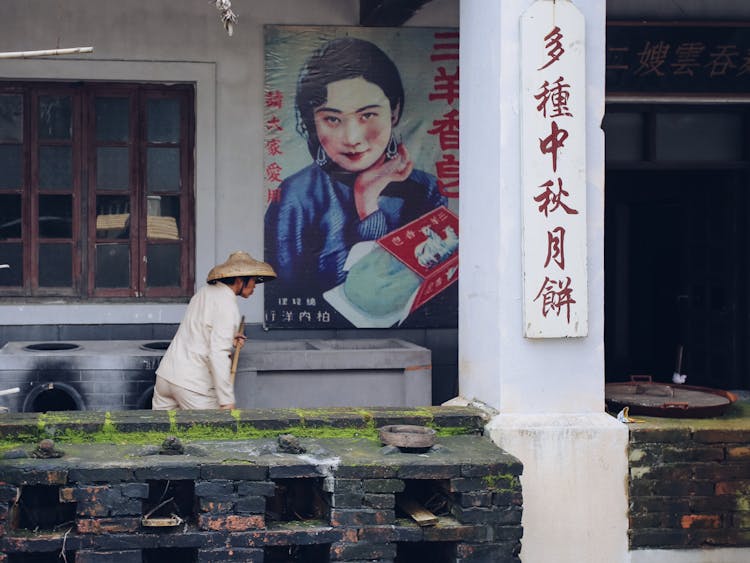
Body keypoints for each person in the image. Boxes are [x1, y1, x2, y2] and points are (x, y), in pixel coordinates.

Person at [265, 37, 447, 296]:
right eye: (332, 118)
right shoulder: (295, 197)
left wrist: (368, 204)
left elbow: (403, 291)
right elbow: (287, 291)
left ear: (394, 111)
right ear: (312, 122)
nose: (352, 138)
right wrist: (365, 197)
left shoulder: (426, 190)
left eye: (367, 115)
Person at [152, 251, 276, 410]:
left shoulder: (203, 293)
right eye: (253, 280)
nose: (254, 287)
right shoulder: (228, 305)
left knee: (162, 432)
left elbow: (199, 331)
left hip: (166, 377)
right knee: (211, 434)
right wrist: (226, 399)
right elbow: (217, 353)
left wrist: (231, 337)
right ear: (240, 280)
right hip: (193, 385)